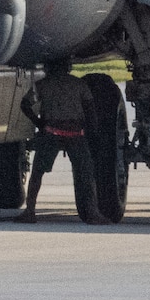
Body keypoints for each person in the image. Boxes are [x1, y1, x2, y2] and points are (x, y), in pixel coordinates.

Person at [12, 57, 89, 222]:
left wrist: (38, 122)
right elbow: (90, 108)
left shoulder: (43, 85)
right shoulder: (78, 84)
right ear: (68, 67)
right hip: (75, 134)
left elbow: (25, 104)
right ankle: (93, 212)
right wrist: (91, 131)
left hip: (51, 132)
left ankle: (30, 211)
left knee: (37, 174)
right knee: (86, 174)